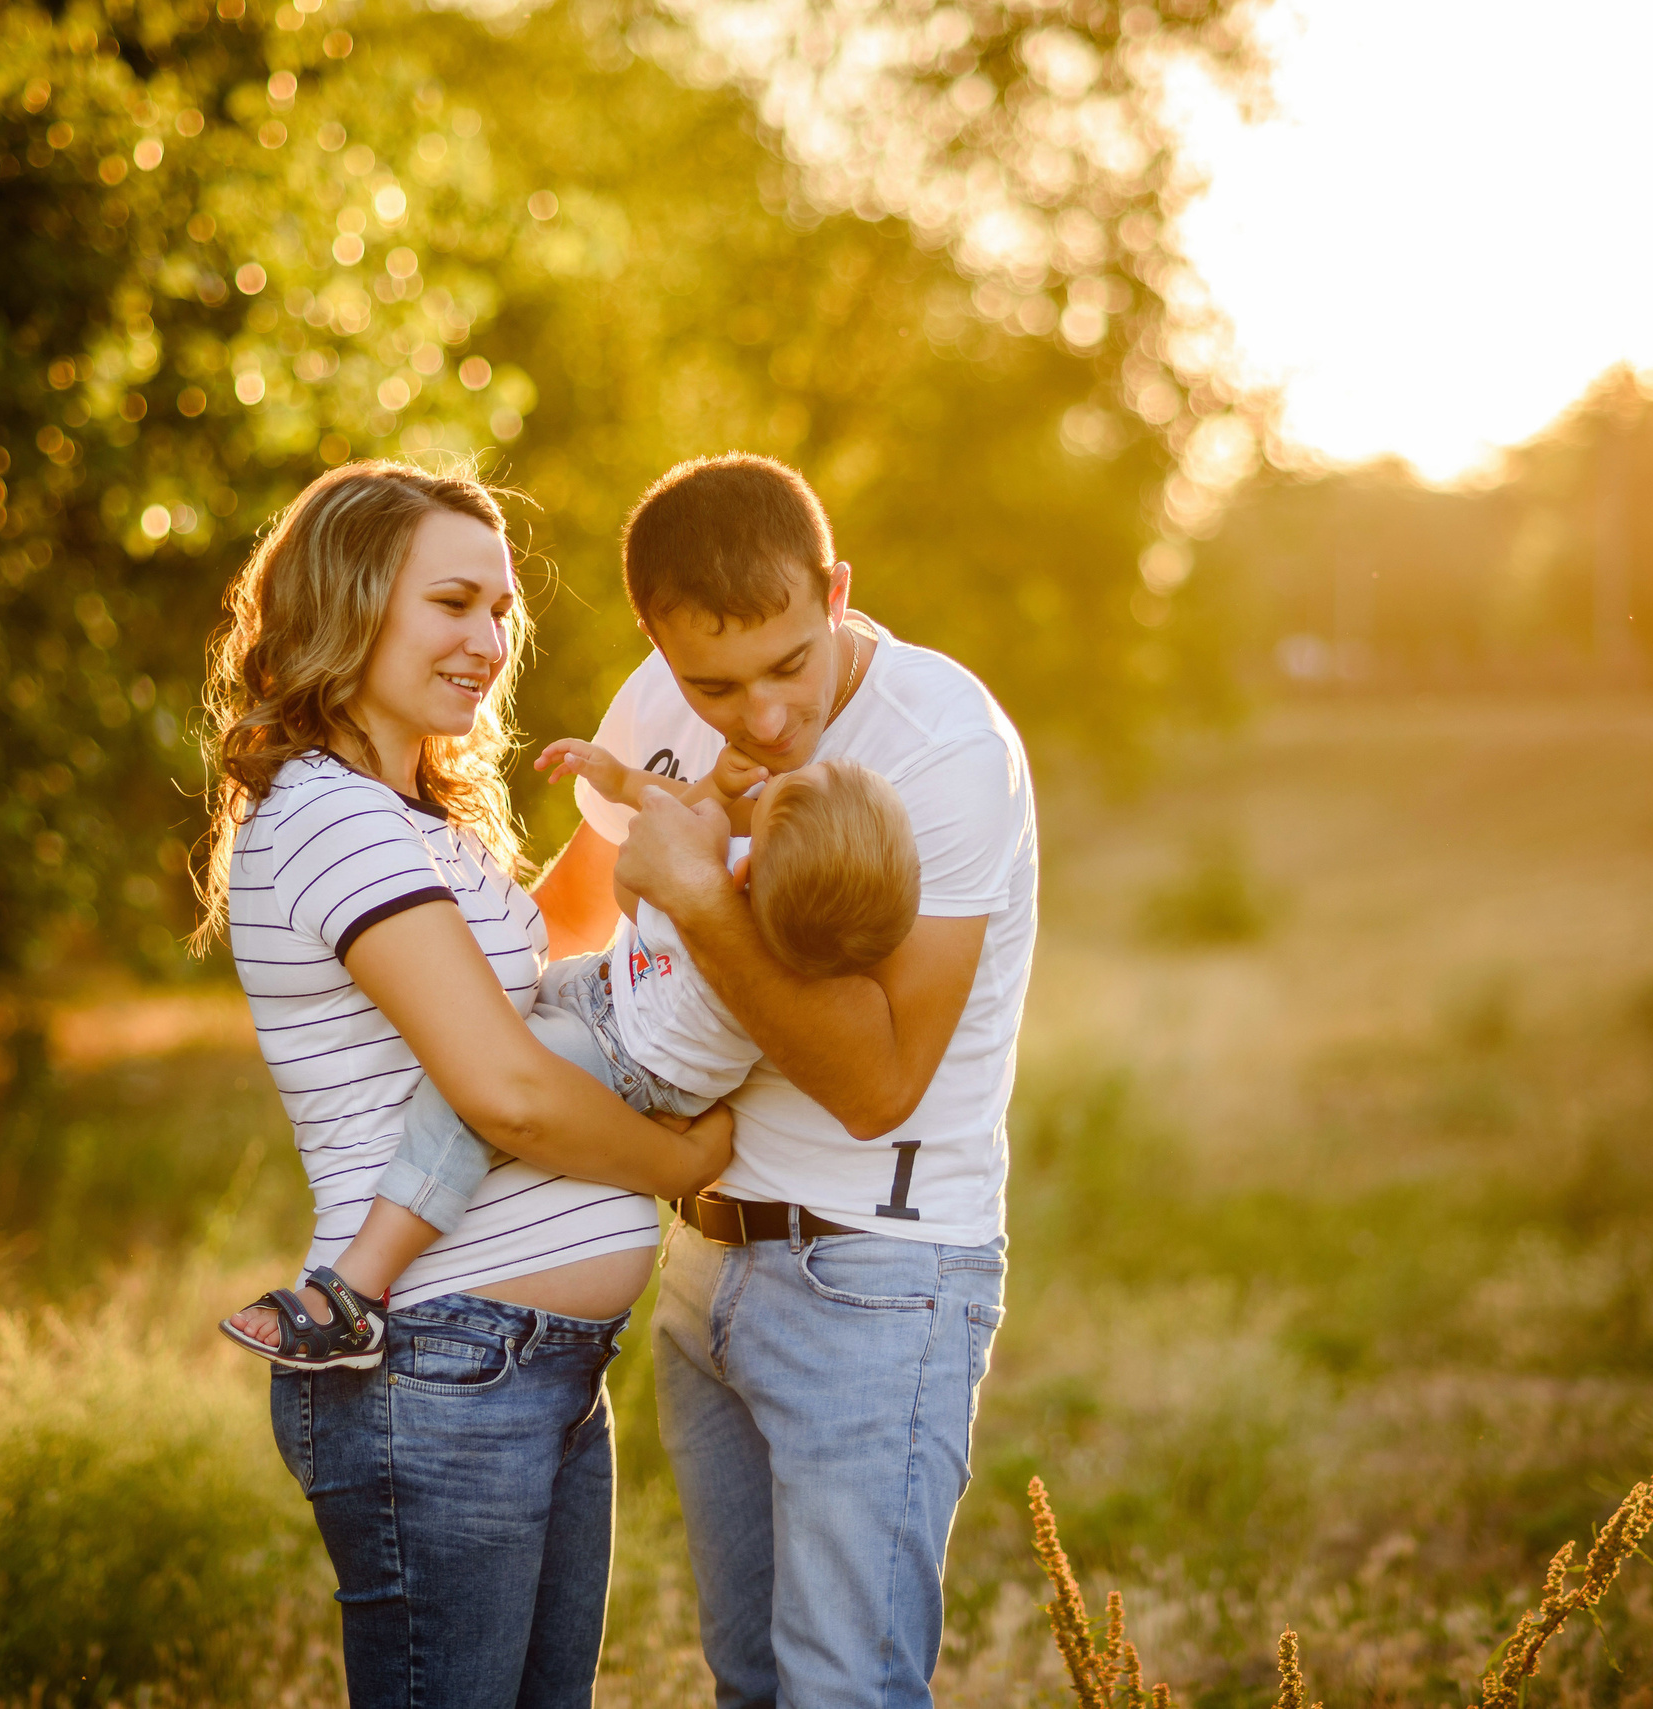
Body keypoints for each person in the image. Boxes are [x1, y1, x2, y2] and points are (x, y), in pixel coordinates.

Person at [193, 459, 732, 1708]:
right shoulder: (329, 816)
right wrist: (680, 1167)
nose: (487, 641)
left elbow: (540, 976)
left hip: (530, 1366)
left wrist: (652, 820)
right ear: (351, 599)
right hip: (439, 1366)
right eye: (451, 603)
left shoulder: (417, 818)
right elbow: (504, 1087)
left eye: (499, 611)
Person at [535, 453, 1040, 1707]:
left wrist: (706, 900)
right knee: (750, 1685)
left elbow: (879, 1081)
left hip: (876, 1274)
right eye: (715, 682)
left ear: (835, 591)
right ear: (656, 636)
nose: (758, 717)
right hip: (702, 1261)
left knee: (843, 1691)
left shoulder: (945, 751)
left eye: (788, 664)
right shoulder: (656, 696)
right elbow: (569, 915)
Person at [250, 746, 918, 1320]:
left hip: (621, 1052)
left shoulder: (718, 925)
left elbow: (634, 882)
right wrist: (645, 787)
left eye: (768, 801)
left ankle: (356, 1286)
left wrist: (709, 805)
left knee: (469, 1095)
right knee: (483, 1015)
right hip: (607, 999)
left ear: (745, 875)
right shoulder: (781, 938)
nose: (764, 783)